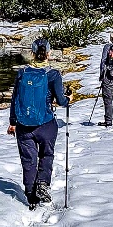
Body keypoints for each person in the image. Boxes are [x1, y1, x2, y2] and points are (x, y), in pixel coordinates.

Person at [8, 38, 69, 208]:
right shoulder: (53, 74)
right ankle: (42, 183)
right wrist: (68, 98)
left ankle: (30, 194)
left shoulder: (22, 73)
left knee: (28, 159)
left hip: (23, 126)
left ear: (32, 53)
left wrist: (13, 122)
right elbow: (61, 100)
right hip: (46, 124)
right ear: (49, 53)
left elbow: (15, 100)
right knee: (46, 154)